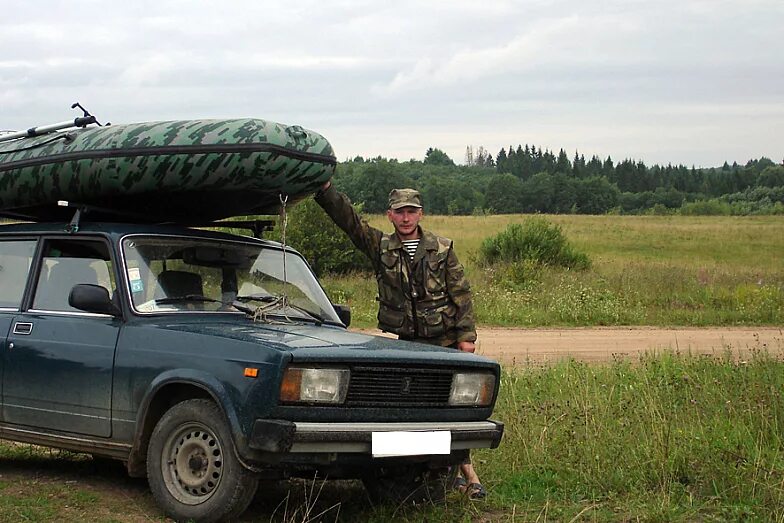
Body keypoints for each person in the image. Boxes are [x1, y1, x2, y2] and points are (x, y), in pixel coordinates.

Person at [314, 180, 487, 500]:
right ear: (390, 216)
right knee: (417, 413)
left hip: (445, 342)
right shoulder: (381, 247)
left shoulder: (443, 248)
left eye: (411, 211)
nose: (406, 218)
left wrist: (466, 338)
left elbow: (461, 295)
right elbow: (349, 222)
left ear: (420, 214)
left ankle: (468, 475)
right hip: (407, 344)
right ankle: (436, 473)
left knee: (454, 413)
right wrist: (326, 192)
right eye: (399, 212)